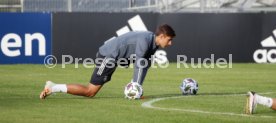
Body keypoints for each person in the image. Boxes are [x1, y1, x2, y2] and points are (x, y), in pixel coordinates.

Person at [40, 24, 176, 99]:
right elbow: (139, 65)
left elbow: (144, 66)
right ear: (162, 36)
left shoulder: (152, 44)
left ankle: (53, 87)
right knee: (90, 91)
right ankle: (53, 87)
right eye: (169, 39)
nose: (170, 43)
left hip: (114, 57)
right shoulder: (145, 41)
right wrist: (136, 88)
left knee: (91, 92)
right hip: (108, 56)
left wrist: (136, 88)